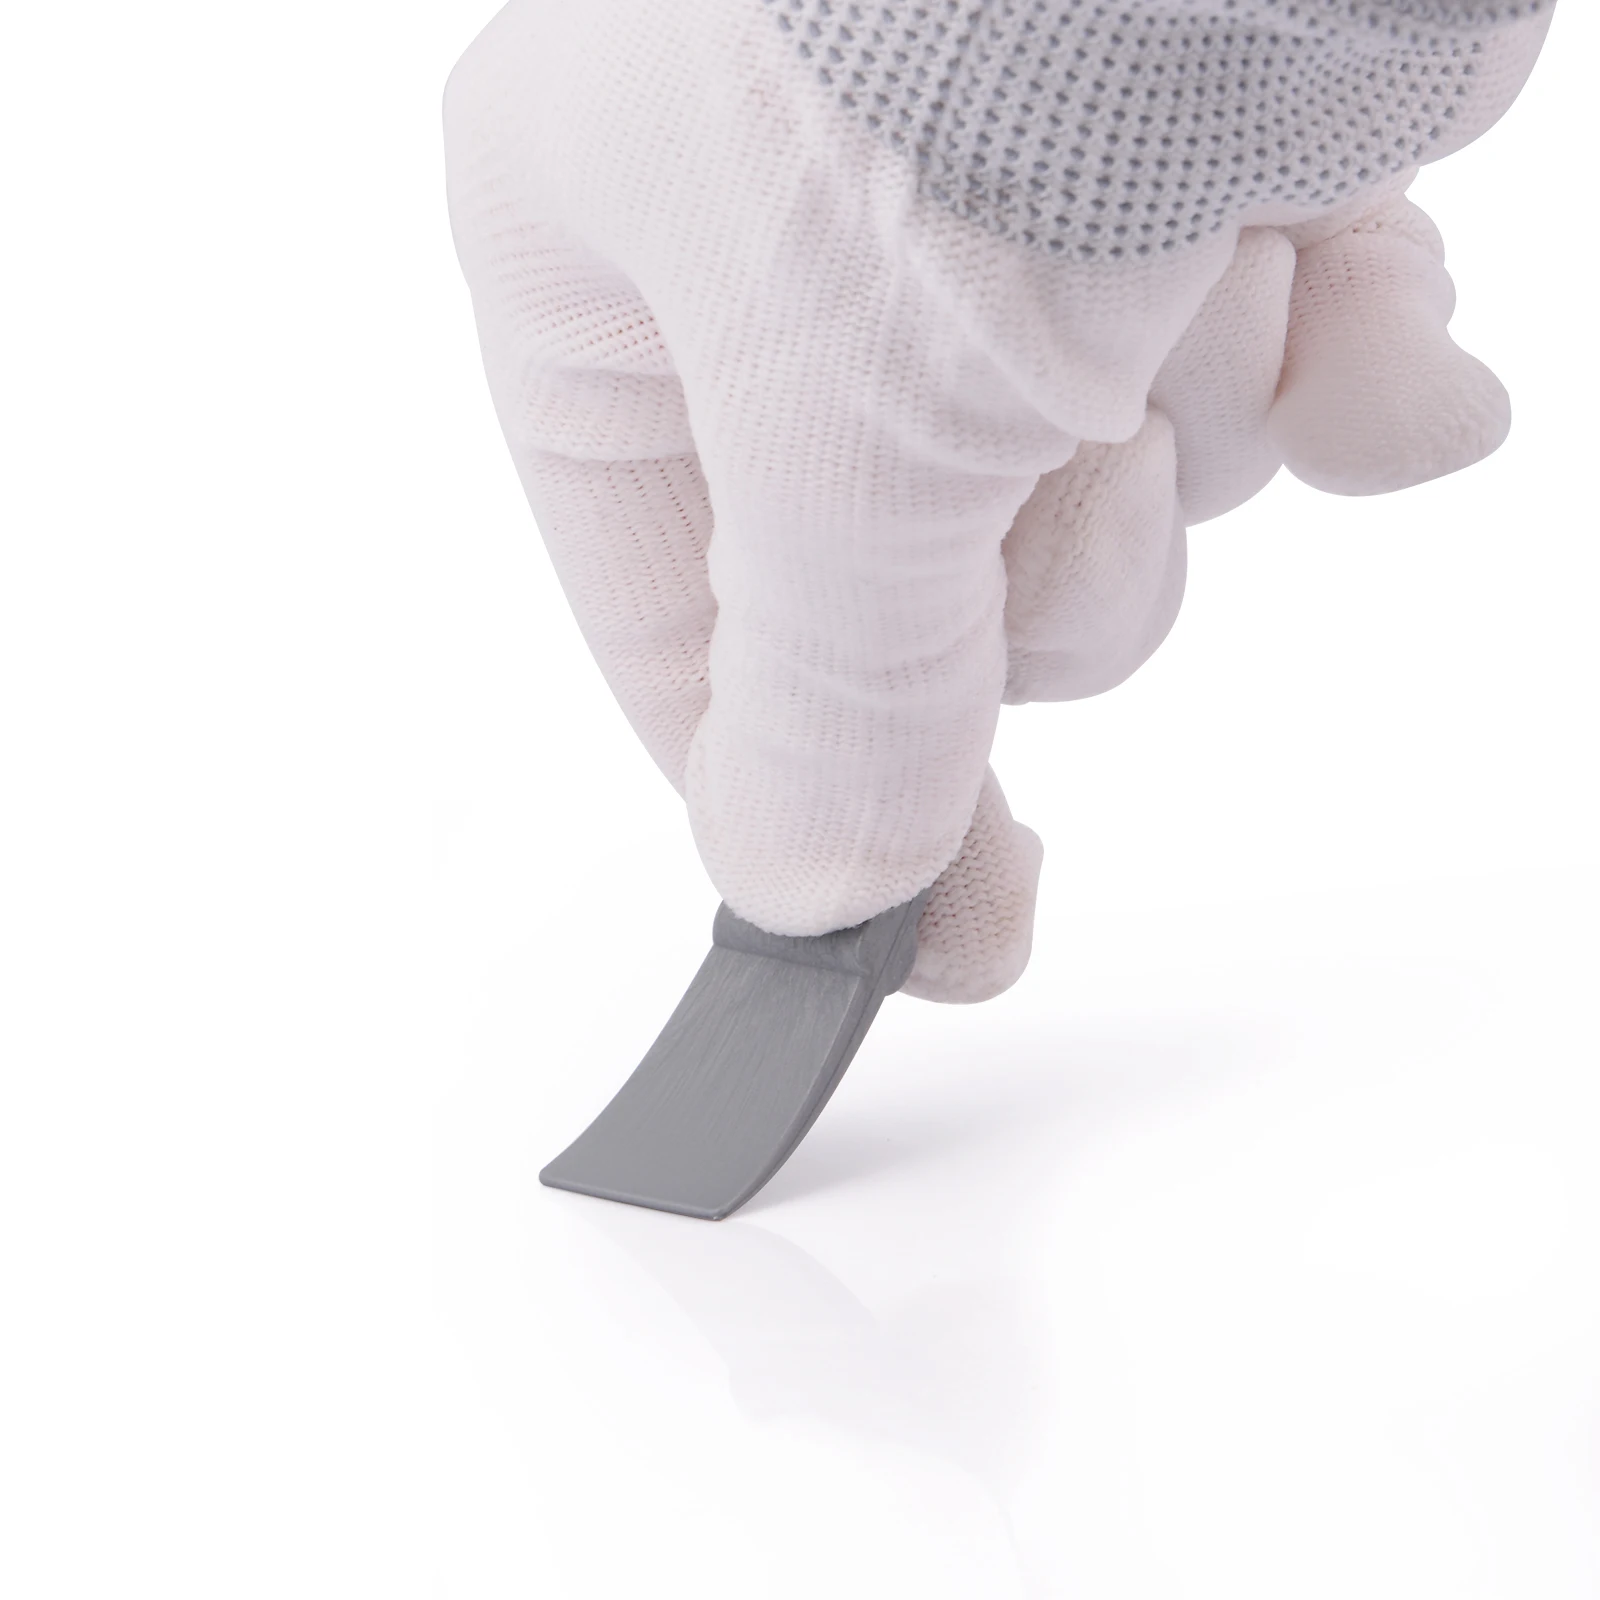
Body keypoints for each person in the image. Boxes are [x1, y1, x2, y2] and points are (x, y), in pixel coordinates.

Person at [444, 0, 1556, 1002]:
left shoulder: (901, 237)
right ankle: (1356, 270)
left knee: (953, 598)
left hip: (965, 139)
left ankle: (1356, 269)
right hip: (1017, 123)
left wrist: (834, 857)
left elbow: (851, 648)